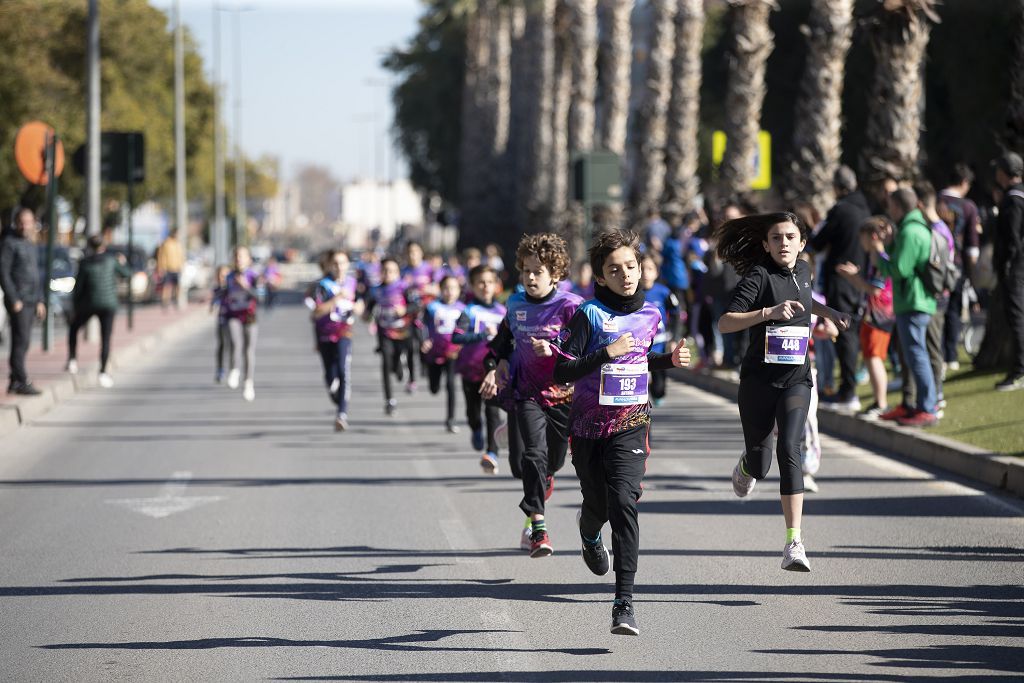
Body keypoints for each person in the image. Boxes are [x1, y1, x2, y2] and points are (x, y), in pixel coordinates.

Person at [553, 229, 690, 636]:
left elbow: (640, 359)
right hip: (588, 427)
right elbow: (562, 369)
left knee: (624, 502)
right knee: (598, 503)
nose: (626, 274)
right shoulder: (589, 315)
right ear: (600, 277)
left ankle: (623, 602)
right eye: (615, 269)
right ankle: (589, 532)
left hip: (631, 424)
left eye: (631, 266)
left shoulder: (652, 313)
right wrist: (602, 354)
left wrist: (668, 360)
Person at [717, 212, 851, 572]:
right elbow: (725, 322)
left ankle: (794, 542)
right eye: (776, 238)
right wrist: (767, 312)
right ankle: (746, 465)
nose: (784, 243)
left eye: (790, 237)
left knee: (790, 447)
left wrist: (830, 313)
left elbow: (805, 302)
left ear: (802, 242)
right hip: (759, 384)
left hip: (797, 380)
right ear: (766, 245)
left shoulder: (804, 271)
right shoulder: (759, 277)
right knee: (761, 465)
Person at [480, 233, 581, 558]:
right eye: (526, 271)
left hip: (563, 396)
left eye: (538, 271)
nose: (531, 277)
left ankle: (542, 475)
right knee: (531, 457)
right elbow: (503, 341)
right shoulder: (515, 303)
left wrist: (555, 350)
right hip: (527, 394)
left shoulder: (571, 307)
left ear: (555, 273)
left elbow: (585, 350)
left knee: (553, 460)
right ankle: (538, 526)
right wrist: (495, 366)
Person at [870, 188, 939, 426]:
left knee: (917, 356)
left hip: (913, 302)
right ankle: (915, 405)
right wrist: (888, 244)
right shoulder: (912, 229)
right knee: (913, 355)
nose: (889, 210)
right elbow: (902, 260)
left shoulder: (911, 231)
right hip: (912, 301)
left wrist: (879, 253)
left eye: (891, 206)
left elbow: (900, 269)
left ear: (898, 207)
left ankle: (927, 408)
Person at [809, 166, 872, 411]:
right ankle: (848, 387)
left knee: (844, 333)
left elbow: (819, 241)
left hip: (840, 277)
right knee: (849, 332)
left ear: (838, 187)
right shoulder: (865, 208)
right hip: (858, 276)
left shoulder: (841, 210)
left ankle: (848, 391)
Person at [836, 217, 896, 420]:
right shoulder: (873, 258)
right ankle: (879, 401)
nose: (860, 242)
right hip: (872, 314)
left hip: (879, 315)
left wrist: (852, 278)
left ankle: (881, 403)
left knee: (874, 358)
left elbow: (875, 289)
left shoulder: (880, 258)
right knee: (871, 358)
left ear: (872, 236)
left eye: (862, 237)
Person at [453, 264, 507, 474]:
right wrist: (482, 334)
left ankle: (491, 453)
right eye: (481, 283)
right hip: (470, 369)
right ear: (473, 286)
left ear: (496, 285)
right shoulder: (468, 311)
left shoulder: (503, 311)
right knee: (473, 412)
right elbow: (456, 337)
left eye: (490, 282)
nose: (486, 287)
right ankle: (476, 428)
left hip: (492, 372)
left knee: (492, 411)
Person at [65, 235, 132, 387]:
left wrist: (75, 307)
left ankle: (72, 360)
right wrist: (123, 262)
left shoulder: (84, 263)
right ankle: (103, 372)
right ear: (104, 246)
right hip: (108, 304)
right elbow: (127, 273)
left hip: (88, 304)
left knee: (74, 328)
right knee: (106, 339)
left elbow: (78, 287)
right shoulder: (111, 260)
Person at [938, 163, 982, 370]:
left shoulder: (936, 201)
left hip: (934, 265)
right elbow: (972, 247)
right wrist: (973, 277)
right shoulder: (969, 207)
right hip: (957, 267)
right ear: (964, 182)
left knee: (938, 310)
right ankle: (951, 356)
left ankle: (938, 353)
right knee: (954, 311)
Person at [311, 250, 361, 431]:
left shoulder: (354, 283)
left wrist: (358, 308)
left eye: (343, 263)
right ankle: (336, 395)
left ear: (348, 265)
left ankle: (342, 414)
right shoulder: (323, 286)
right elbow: (316, 312)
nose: (340, 267)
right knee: (330, 376)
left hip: (344, 333)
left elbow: (361, 305)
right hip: (325, 334)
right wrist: (336, 299)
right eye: (336, 263)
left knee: (343, 369)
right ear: (330, 266)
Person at [0, 207, 45, 395]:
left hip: (31, 299)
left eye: (28, 221)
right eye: (22, 222)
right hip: (18, 300)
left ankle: (14, 381)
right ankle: (22, 380)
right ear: (16, 223)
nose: (25, 225)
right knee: (21, 340)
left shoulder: (29, 243)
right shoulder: (9, 243)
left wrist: (40, 300)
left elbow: (35, 275)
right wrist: (13, 298)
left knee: (24, 341)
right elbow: (3, 272)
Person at [367, 257, 420, 414]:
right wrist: (365, 313)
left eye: (392, 271)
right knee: (385, 363)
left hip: (404, 331)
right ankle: (389, 400)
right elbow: (369, 308)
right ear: (380, 273)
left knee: (401, 358)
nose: (388, 274)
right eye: (385, 271)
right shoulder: (376, 290)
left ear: (398, 273)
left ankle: (403, 371)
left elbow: (417, 305)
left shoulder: (405, 288)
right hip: (385, 332)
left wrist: (404, 310)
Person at [992, 151, 1024, 391]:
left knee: (1017, 317)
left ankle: (1019, 370)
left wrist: (1006, 265)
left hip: (1016, 269)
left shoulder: (1013, 199)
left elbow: (1012, 238)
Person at [421, 275, 466, 433]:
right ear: (441, 290)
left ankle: (451, 419)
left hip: (453, 352)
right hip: (434, 353)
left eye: (453, 288)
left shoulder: (463, 309)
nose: (449, 292)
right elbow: (423, 326)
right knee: (434, 387)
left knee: (451, 385)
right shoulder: (432, 307)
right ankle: (432, 382)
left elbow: (467, 330)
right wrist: (425, 339)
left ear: (459, 290)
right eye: (446, 288)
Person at [640, 254, 681, 407]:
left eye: (649, 269)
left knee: (659, 387)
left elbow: (676, 314)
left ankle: (657, 391)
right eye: (642, 269)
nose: (645, 273)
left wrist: (674, 339)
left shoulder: (664, 292)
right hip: (639, 347)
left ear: (656, 272)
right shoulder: (632, 293)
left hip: (660, 345)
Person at [222, 246, 261, 402]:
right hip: (233, 314)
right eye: (236, 256)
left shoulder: (253, 275)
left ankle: (248, 382)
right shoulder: (229, 276)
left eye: (242, 256)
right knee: (234, 342)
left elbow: (261, 296)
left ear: (248, 259)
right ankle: (234, 369)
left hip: (249, 315)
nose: (239, 259)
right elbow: (224, 293)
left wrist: (246, 286)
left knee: (248, 349)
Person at [210, 265, 231, 384]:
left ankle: (234, 368)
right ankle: (220, 369)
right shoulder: (217, 289)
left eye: (225, 275)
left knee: (234, 345)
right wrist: (213, 307)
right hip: (222, 320)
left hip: (234, 319)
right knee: (222, 345)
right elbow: (214, 303)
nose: (222, 278)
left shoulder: (233, 288)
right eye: (220, 275)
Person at [155, 232, 185, 309]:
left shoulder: (178, 244)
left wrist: (181, 266)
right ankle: (165, 302)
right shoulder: (166, 244)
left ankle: (177, 301)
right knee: (167, 286)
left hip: (177, 268)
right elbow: (161, 256)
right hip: (168, 268)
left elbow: (181, 256)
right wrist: (161, 267)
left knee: (178, 286)